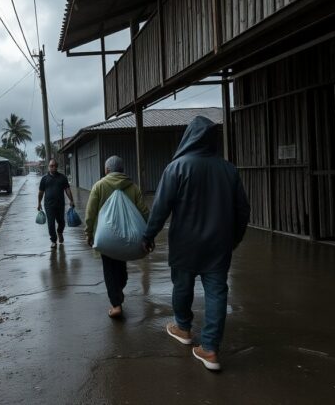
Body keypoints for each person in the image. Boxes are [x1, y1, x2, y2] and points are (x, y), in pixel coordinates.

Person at [142, 116, 250, 371]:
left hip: (185, 243)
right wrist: (234, 239)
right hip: (218, 245)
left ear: (189, 137)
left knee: (182, 286)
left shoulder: (176, 168)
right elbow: (243, 210)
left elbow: (160, 208)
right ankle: (210, 349)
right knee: (217, 292)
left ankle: (183, 327)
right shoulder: (228, 169)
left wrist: (148, 236)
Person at [84, 155, 149, 318]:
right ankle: (118, 291)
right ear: (122, 170)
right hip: (127, 237)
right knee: (120, 266)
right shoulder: (132, 187)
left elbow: (90, 212)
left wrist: (88, 232)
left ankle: (116, 305)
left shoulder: (99, 186)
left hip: (105, 238)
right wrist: (149, 234)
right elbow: (144, 212)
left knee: (109, 269)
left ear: (107, 170)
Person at [37, 159, 75, 248]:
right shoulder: (44, 179)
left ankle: (60, 232)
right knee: (51, 223)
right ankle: (53, 240)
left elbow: (67, 189)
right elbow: (41, 192)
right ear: (48, 167)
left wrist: (71, 200)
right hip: (49, 205)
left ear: (57, 167)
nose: (53, 167)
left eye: (54, 166)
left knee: (62, 222)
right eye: (51, 166)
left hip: (60, 204)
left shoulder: (62, 177)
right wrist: (39, 203)